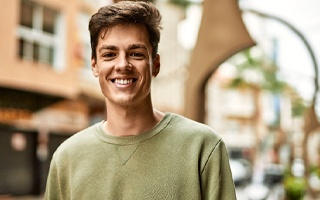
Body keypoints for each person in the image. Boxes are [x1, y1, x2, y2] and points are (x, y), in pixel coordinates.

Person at [44, 0, 236, 199]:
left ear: (156, 64)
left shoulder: (202, 147)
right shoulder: (67, 158)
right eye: (109, 54)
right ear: (94, 65)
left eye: (136, 54)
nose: (122, 65)